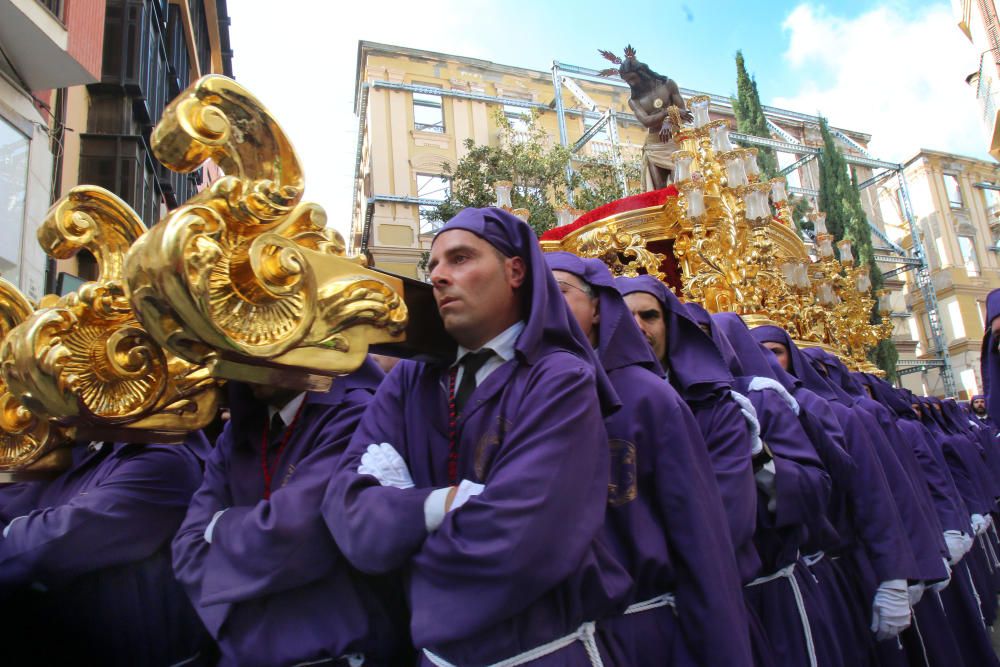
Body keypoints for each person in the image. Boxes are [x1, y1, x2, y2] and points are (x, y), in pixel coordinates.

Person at [325, 208, 631, 666]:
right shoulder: (410, 380)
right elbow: (346, 510)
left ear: (515, 271)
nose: (440, 277)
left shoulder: (560, 378)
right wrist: (441, 505)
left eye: (461, 258)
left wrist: (400, 526)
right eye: (433, 267)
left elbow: (524, 538)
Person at [545, 252, 753, 667]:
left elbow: (701, 539)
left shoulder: (650, 398)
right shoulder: (526, 392)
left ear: (600, 310)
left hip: (643, 636)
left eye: (559, 291)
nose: (543, 303)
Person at [172, 360, 410, 667]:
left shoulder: (357, 413)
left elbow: (293, 535)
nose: (238, 362)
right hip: (240, 654)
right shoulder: (238, 431)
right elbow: (186, 547)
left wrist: (221, 525)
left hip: (333, 655)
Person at [0, 434, 209, 666]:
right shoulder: (85, 445)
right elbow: (14, 500)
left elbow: (42, 551)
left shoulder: (165, 459)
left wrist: (18, 530)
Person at [607, 47, 691, 190]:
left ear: (643, 72)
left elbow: (683, 111)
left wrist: (668, 122)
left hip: (675, 140)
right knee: (659, 191)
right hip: (654, 146)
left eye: (633, 78)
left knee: (682, 185)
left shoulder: (668, 84)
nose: (631, 84)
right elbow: (646, 121)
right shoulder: (634, 100)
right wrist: (667, 112)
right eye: (628, 81)